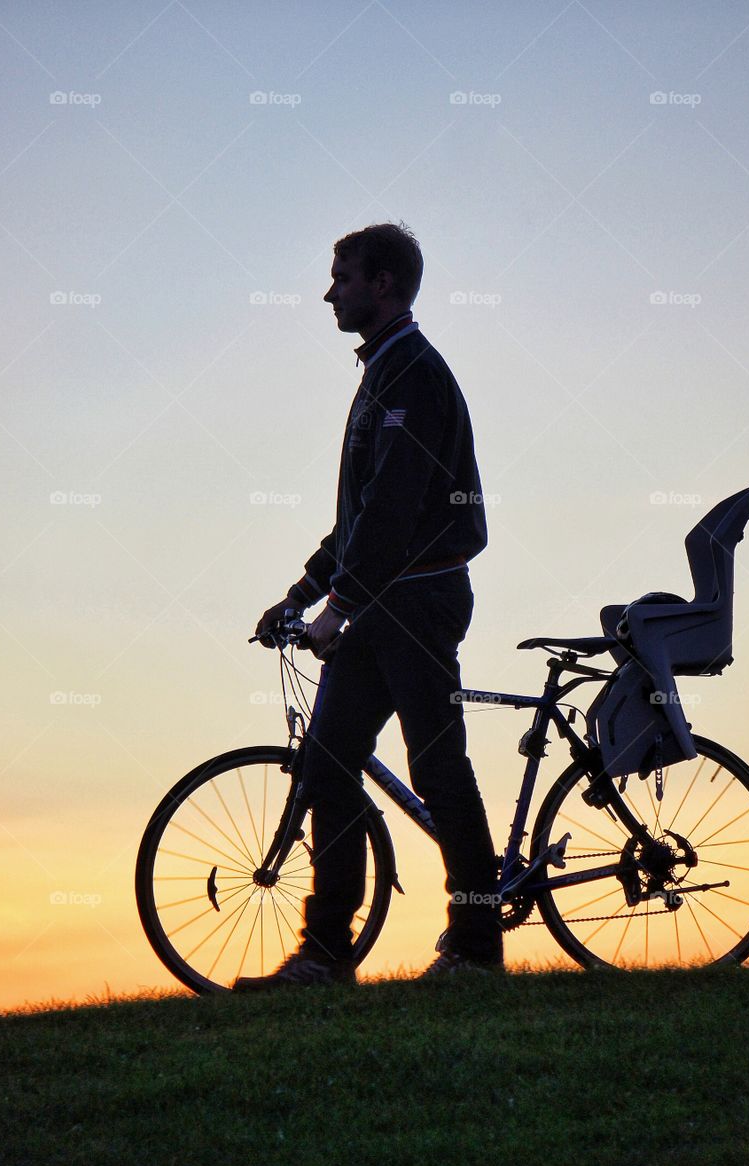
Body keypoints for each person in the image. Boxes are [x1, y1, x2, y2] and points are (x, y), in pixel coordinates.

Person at [234, 222, 503, 989]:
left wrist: (335, 605)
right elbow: (357, 519)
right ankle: (324, 955)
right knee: (326, 764)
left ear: (381, 283)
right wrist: (299, 594)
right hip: (382, 601)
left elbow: (392, 506)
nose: (329, 291)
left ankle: (477, 947)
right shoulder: (383, 371)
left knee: (437, 767)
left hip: (418, 601)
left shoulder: (411, 371)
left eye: (341, 277)